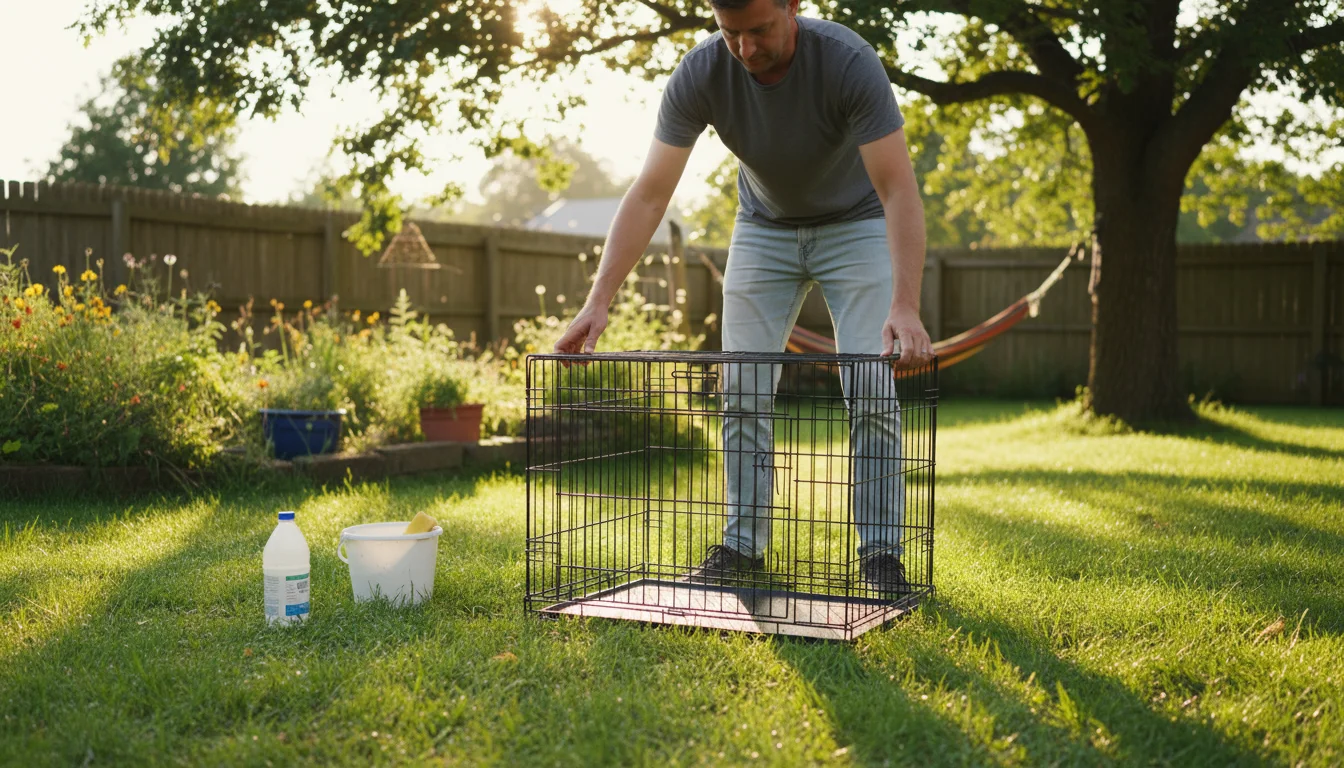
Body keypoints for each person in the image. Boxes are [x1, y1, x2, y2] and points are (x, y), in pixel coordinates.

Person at [553, 0, 934, 594]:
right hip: (763, 229)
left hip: (856, 223)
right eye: (731, 33)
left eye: (760, 30)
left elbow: (897, 188)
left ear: (793, 6)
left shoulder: (848, 61)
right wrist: (599, 299)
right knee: (742, 385)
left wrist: (905, 305)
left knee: (869, 383)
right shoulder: (701, 72)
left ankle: (882, 554)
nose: (746, 50)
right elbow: (651, 194)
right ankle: (741, 546)